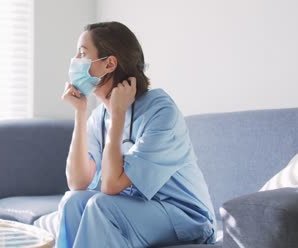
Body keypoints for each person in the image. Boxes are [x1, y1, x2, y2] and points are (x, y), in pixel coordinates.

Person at [58, 21, 217, 248]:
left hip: (186, 215)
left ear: (109, 63)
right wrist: (81, 112)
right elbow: (77, 182)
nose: (75, 60)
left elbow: (111, 186)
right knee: (72, 202)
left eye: (82, 54)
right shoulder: (99, 115)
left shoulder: (161, 110)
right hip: (134, 209)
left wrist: (119, 113)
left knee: (101, 207)